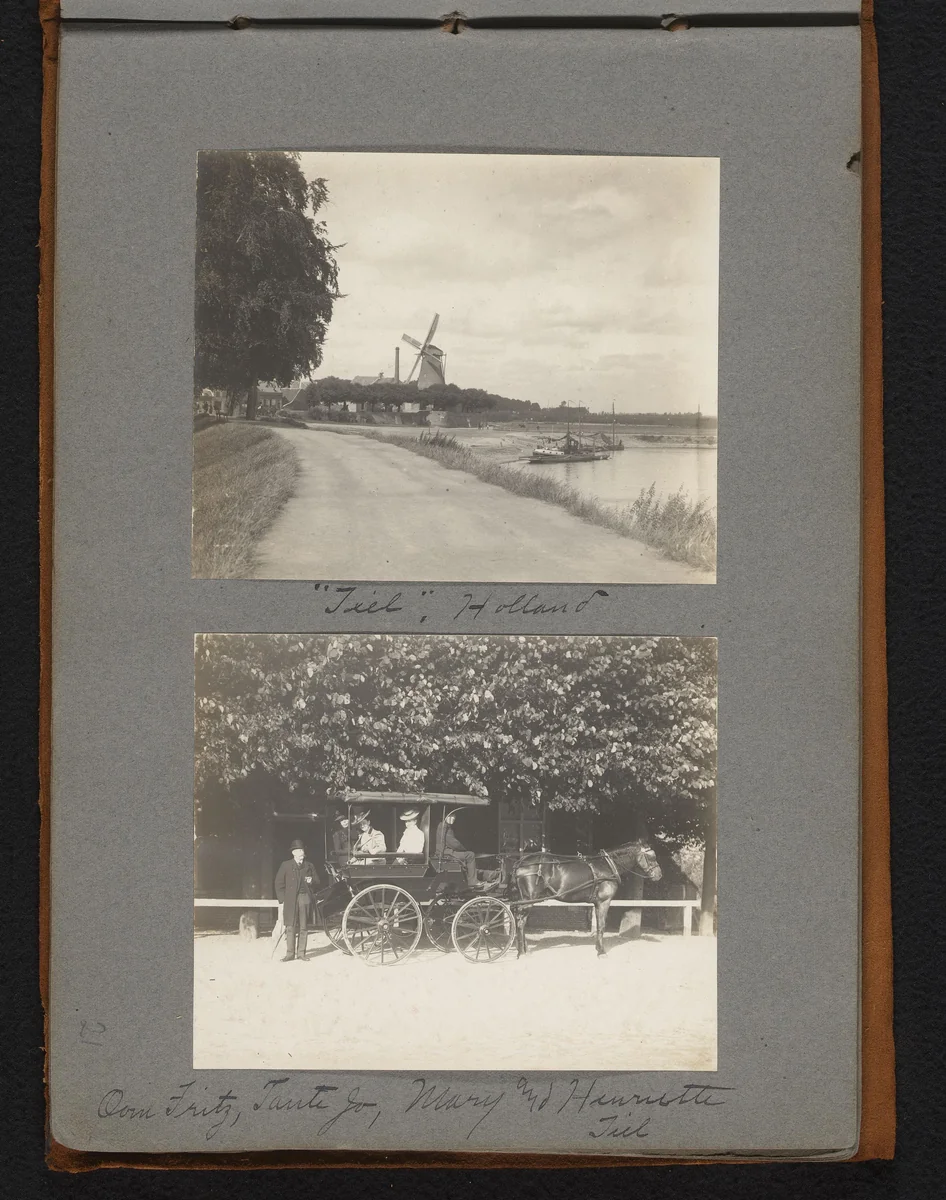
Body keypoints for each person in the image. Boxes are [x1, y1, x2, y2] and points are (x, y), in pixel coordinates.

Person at [274, 839, 318, 962]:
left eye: (302, 850)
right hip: (290, 899)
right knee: (290, 926)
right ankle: (290, 954)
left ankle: (301, 953)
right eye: (298, 851)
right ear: (293, 853)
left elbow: (318, 881)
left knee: (304, 927)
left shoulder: (309, 866)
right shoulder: (286, 865)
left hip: (304, 898)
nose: (300, 853)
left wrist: (312, 881)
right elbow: (278, 883)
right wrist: (283, 899)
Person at [436, 811, 479, 887]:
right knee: (471, 855)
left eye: (454, 817)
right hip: (446, 853)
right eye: (450, 816)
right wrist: (464, 849)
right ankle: (472, 882)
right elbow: (453, 843)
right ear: (445, 817)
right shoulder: (444, 826)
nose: (452, 819)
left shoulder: (445, 826)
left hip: (446, 852)